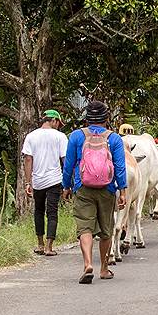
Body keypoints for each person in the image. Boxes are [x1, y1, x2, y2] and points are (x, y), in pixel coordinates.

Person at [62, 101, 127, 284]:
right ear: (107, 119)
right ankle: (104, 269)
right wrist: (122, 191)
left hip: (82, 188)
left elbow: (68, 165)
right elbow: (120, 167)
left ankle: (87, 264)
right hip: (107, 189)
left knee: (85, 227)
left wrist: (66, 186)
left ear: (87, 118)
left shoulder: (76, 136)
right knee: (106, 230)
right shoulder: (114, 138)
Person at [22, 109, 69, 256]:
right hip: (55, 179)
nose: (58, 126)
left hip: (37, 180)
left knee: (39, 211)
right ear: (53, 121)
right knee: (52, 212)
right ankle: (49, 247)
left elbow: (28, 159)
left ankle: (40, 244)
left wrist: (28, 182)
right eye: (58, 123)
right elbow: (65, 160)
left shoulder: (31, 136)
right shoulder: (60, 137)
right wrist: (68, 182)